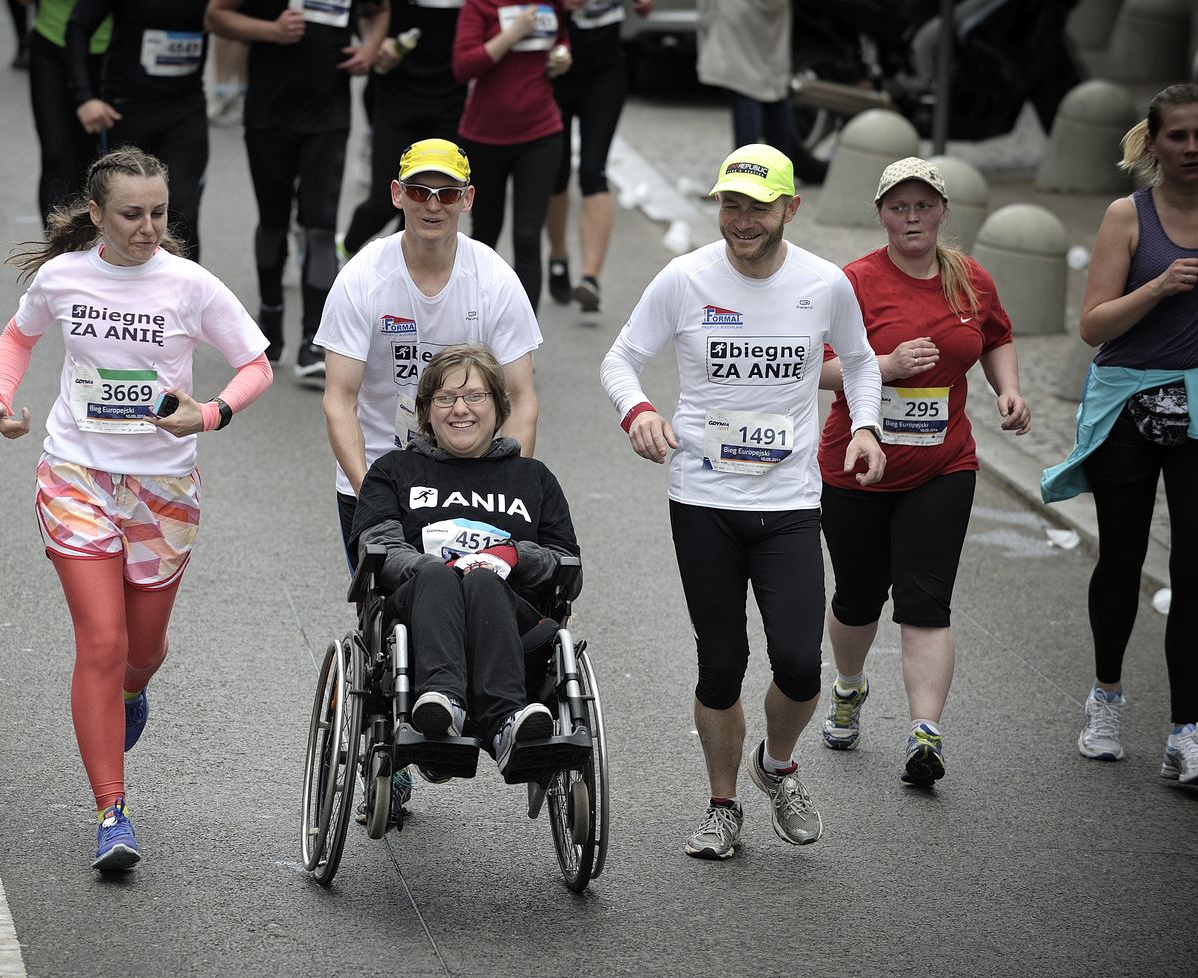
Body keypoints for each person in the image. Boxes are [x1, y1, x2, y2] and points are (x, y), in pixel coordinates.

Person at [0, 147, 273, 871]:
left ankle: (134, 691)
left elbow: (256, 366)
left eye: (159, 213)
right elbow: (18, 337)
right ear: (96, 215)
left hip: (162, 488)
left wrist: (209, 413)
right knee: (103, 643)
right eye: (132, 215)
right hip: (75, 474)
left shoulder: (190, 285)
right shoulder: (62, 277)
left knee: (141, 652)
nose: (149, 228)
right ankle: (112, 813)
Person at [599, 144, 885, 860]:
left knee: (799, 665)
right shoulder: (685, 278)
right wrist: (638, 411)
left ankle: (777, 767)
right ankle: (722, 805)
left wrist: (867, 427)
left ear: (790, 208)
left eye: (758, 207)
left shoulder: (824, 283)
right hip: (702, 499)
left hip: (789, 502)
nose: (743, 220)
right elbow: (620, 359)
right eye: (731, 205)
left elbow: (859, 361)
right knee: (721, 663)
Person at [815, 157, 1031, 788]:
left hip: (944, 465)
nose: (912, 218)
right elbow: (815, 366)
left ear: (942, 212)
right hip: (857, 467)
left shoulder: (971, 279)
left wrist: (1008, 390)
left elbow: (997, 337)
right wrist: (884, 365)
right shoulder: (852, 282)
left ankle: (924, 734)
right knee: (858, 596)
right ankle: (849, 687)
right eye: (899, 207)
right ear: (881, 214)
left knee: (926, 601)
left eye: (924, 206)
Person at [1042, 83, 1198, 786]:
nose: (1191, 148)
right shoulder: (1128, 215)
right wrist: (1159, 287)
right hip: (1128, 405)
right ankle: (1105, 698)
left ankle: (1187, 731)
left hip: (1197, 406)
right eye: (1178, 136)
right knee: (1124, 557)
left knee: (1195, 569)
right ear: (1155, 142)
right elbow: (1092, 324)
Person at [350, 344, 580, 776]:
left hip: (513, 626)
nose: (460, 409)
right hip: (421, 622)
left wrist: (512, 556)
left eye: (475, 396)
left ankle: (507, 721)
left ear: (498, 406)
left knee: (483, 580)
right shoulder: (394, 471)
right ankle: (443, 704)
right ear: (426, 410)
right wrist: (435, 567)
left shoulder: (534, 478)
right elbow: (378, 546)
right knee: (441, 577)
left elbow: (566, 564)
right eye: (445, 398)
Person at [319, 138, 541, 567]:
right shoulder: (361, 277)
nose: (433, 205)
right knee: (388, 600)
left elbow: (521, 399)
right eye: (420, 192)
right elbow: (339, 400)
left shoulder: (494, 279)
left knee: (472, 597)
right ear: (397, 194)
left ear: (467, 199)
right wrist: (371, 494)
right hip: (380, 469)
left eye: (448, 194)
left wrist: (505, 486)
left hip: (470, 481)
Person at [205, 0, 388, 381]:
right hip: (268, 112)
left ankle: (314, 340)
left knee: (320, 225)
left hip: (328, 115)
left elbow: (379, 10)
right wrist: (270, 31)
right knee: (273, 221)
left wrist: (369, 51)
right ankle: (270, 315)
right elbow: (216, 15)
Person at [68, 0, 210, 261]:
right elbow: (78, 25)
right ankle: (109, 278)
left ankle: (182, 284)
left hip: (185, 108)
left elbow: (231, 16)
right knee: (126, 211)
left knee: (183, 212)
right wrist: (84, 97)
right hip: (127, 109)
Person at [452, 0, 571, 310]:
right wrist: (511, 34)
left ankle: (524, 336)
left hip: (541, 134)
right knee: (485, 236)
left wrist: (561, 56)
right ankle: (476, 326)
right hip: (484, 137)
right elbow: (463, 66)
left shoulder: (549, 4)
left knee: (528, 237)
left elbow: (560, 39)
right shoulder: (479, 5)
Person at [340, 0, 469, 257]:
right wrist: (375, 43)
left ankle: (404, 271)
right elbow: (364, 11)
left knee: (423, 204)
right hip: (396, 95)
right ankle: (345, 250)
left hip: (449, 101)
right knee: (384, 201)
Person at [545, 0, 647, 313]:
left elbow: (644, 9)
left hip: (606, 66)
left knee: (593, 170)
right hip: (557, 64)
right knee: (556, 171)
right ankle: (558, 255)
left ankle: (590, 278)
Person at [694, 0, 821, 184]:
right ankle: (780, 176)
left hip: (740, 12)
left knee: (744, 89)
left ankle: (746, 177)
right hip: (771, 11)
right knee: (773, 90)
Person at [25, 0, 112, 225]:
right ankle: (59, 243)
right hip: (54, 45)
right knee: (57, 156)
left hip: (118, 54)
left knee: (113, 162)